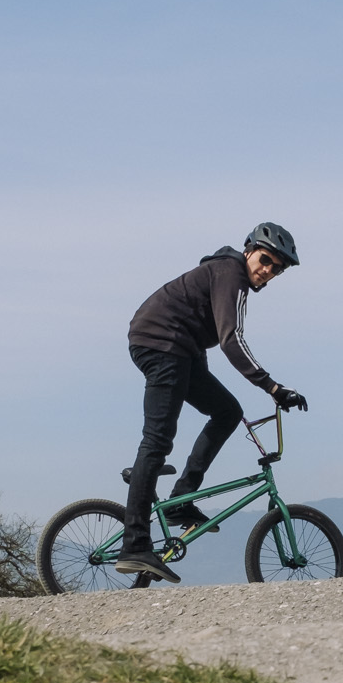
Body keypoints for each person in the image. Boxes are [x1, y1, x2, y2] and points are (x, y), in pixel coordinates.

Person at [115, 223, 307, 582]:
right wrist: (272, 387)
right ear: (249, 249)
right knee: (157, 441)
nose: (268, 270)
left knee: (227, 411)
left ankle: (181, 500)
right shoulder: (230, 273)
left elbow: (196, 327)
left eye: (277, 268)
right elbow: (231, 339)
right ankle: (135, 544)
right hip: (162, 344)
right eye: (265, 259)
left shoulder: (226, 275)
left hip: (180, 349)